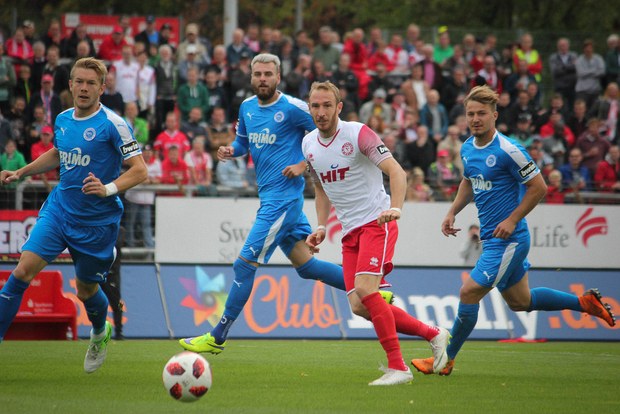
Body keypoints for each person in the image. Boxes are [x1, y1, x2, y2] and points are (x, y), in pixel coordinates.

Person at [179, 54, 385, 355]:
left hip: (283, 201)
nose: (262, 79)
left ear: (278, 77)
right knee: (307, 267)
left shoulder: (294, 108)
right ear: (251, 77)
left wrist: (303, 164)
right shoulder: (247, 107)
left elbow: (326, 136)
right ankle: (379, 290)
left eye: (268, 74)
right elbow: (243, 142)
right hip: (270, 197)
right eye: (258, 74)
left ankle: (217, 336)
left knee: (243, 264)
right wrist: (230, 150)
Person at [411, 85, 616, 377]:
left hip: (509, 240)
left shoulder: (509, 150)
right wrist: (452, 210)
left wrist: (512, 219)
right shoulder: (467, 147)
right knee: (521, 302)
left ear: (494, 115)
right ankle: (585, 303)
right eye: (471, 114)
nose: (475, 119)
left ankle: (445, 359)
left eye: (482, 113)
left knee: (468, 292)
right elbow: (468, 181)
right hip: (494, 239)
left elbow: (539, 187)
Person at [0, 57, 148, 373]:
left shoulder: (113, 124)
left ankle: (99, 331)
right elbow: (58, 152)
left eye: (91, 83)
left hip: (97, 223)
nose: (83, 88)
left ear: (102, 88)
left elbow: (140, 170)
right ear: (70, 85)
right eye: (78, 81)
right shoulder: (63, 118)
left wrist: (107, 188)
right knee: (22, 271)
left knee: (85, 290)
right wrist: (21, 172)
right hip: (60, 211)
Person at [302, 81, 450, 386]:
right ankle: (433, 334)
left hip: (377, 221)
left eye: (327, 105)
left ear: (339, 107)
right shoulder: (308, 144)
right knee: (359, 305)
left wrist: (396, 208)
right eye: (315, 106)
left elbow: (397, 171)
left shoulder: (358, 134)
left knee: (367, 290)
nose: (321, 112)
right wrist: (320, 225)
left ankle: (398, 367)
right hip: (350, 232)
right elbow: (320, 187)